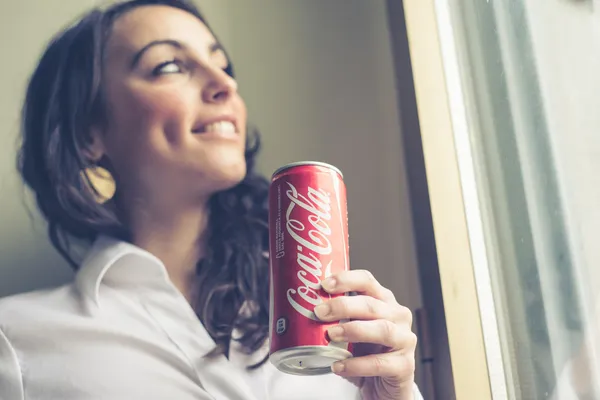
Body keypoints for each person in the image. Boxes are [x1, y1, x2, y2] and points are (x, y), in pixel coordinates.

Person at [0, 1, 422, 399]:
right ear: (90, 132)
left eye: (222, 65)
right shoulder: (17, 339)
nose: (224, 84)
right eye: (170, 66)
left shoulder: (323, 323)